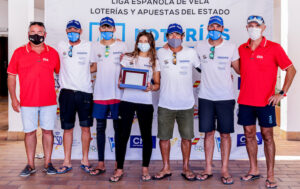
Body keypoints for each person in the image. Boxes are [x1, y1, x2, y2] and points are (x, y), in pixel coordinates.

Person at [238, 15, 296, 188]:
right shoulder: (242, 48)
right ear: (246, 27)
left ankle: (270, 174)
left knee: (268, 137)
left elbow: (292, 70)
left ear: (263, 28)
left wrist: (282, 93)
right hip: (245, 101)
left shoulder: (274, 48)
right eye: (250, 25)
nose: (253, 28)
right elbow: (242, 71)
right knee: (249, 135)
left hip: (266, 102)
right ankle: (253, 170)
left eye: (257, 25)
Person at [7, 21, 60, 176]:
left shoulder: (53, 53)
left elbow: (62, 73)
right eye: (33, 32)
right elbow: (11, 76)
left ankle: (48, 163)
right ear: (28, 34)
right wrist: (14, 99)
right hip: (27, 101)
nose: (36, 35)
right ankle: (30, 165)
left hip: (49, 101)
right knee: (29, 132)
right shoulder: (18, 52)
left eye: (40, 32)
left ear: (45, 34)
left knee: (48, 132)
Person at [109, 30, 160, 182]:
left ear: (151, 44)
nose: (143, 44)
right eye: (141, 41)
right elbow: (121, 80)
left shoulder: (154, 61)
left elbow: (157, 84)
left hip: (145, 102)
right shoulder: (127, 57)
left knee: (146, 136)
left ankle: (145, 169)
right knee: (123, 135)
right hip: (127, 101)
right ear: (137, 42)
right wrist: (121, 82)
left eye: (146, 41)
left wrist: (151, 87)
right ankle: (119, 169)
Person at [194, 16, 240, 185]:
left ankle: (225, 170)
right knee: (208, 133)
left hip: (225, 97)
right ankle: (207, 168)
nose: (214, 29)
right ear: (207, 28)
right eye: (212, 26)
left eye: (217, 26)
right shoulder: (199, 46)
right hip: (205, 96)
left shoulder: (231, 47)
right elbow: (197, 65)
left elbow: (240, 70)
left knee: (225, 134)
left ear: (222, 29)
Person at [153, 23, 200, 181]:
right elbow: (143, 56)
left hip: (186, 104)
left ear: (183, 36)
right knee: (164, 137)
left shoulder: (191, 53)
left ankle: (186, 168)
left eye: (177, 34)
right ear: (167, 37)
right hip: (165, 103)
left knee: (186, 138)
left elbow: (204, 69)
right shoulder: (160, 52)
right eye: (171, 35)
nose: (174, 37)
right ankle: (166, 167)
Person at [89, 17, 127, 175]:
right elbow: (93, 67)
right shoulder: (94, 46)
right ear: (99, 30)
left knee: (118, 129)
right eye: (103, 29)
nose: (106, 31)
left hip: (117, 94)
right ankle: (101, 163)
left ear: (114, 29)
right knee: (100, 128)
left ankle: (118, 164)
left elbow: (127, 67)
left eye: (109, 28)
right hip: (100, 94)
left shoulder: (122, 45)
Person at [56, 20, 93, 174]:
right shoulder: (60, 46)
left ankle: (85, 160)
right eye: (70, 29)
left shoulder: (89, 46)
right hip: (67, 94)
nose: (73, 31)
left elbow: (96, 64)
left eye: (76, 29)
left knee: (86, 128)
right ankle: (67, 161)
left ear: (81, 31)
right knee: (67, 129)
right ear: (66, 31)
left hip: (85, 92)